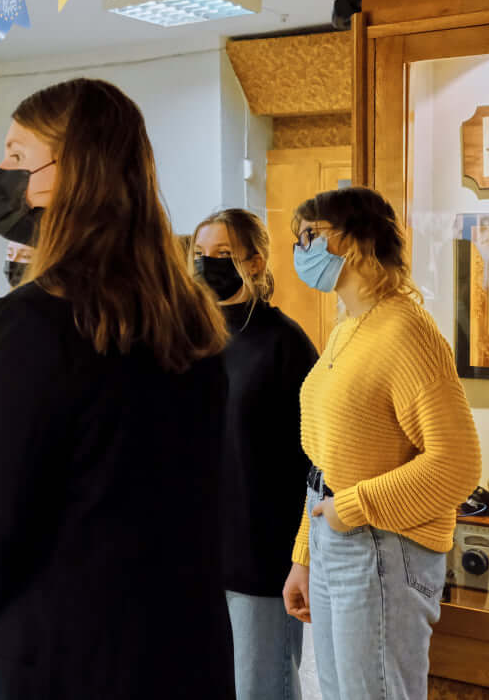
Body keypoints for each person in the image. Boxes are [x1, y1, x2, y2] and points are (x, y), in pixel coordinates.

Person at [0, 77, 234, 699]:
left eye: (18, 156)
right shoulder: (193, 321)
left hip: (56, 660)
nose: (3, 172)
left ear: (72, 174)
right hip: (181, 650)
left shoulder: (30, 322)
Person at [280, 186, 482, 699]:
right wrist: (305, 553)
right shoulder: (349, 326)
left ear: (352, 241)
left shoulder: (406, 330)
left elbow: (457, 464)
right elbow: (326, 460)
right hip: (335, 534)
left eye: (310, 235)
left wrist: (353, 508)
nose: (300, 249)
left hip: (379, 544)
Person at [193, 209, 317, 700]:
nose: (208, 264)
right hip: (200, 552)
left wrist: (303, 557)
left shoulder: (286, 343)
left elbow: (316, 459)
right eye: (200, 254)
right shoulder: (192, 336)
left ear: (254, 261)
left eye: (222, 254)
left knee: (259, 689)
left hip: (261, 558)